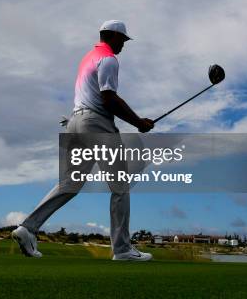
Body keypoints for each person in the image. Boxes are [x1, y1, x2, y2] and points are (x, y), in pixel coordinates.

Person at [12, 20, 155, 261]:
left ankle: (28, 227)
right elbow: (108, 98)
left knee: (70, 183)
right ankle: (122, 250)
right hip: (95, 124)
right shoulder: (109, 59)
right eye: (122, 39)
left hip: (74, 124)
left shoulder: (88, 57)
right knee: (120, 185)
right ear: (111, 36)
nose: (124, 45)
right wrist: (138, 122)